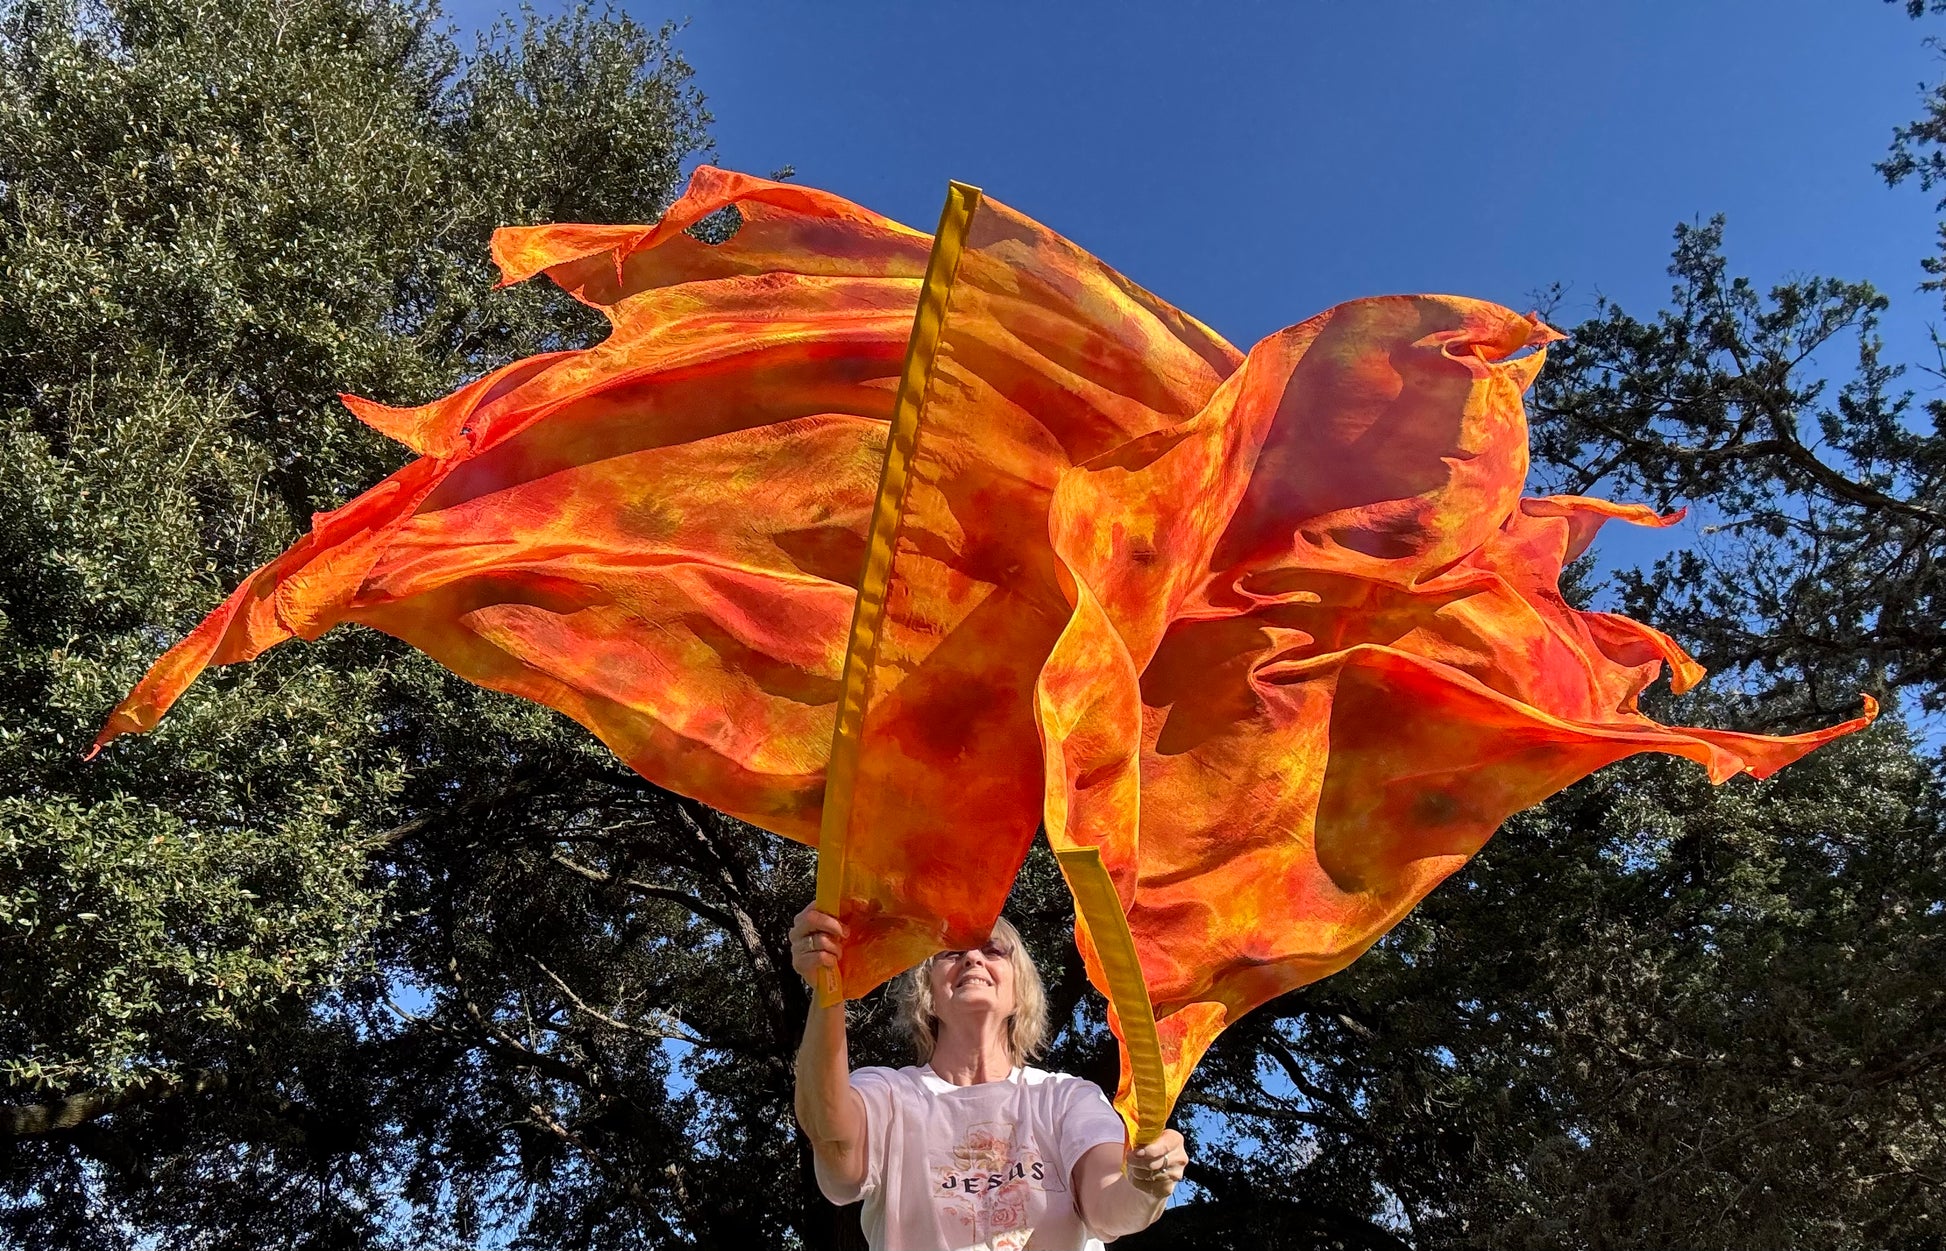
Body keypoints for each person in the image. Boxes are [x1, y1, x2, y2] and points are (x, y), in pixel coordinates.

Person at [790, 905, 1188, 1249]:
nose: (973, 959)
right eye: (952, 952)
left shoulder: (1065, 1098)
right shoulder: (890, 1095)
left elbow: (1109, 1208)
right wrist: (830, 983)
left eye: (994, 950)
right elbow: (832, 1138)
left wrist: (1145, 1185)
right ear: (927, 993)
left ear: (1019, 992)